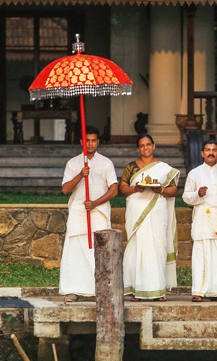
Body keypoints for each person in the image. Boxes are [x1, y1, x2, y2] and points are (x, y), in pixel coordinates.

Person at [59, 126, 118, 301]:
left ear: (98, 142)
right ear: (81, 142)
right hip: (79, 211)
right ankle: (73, 289)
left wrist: (95, 203)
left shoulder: (106, 163)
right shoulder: (73, 163)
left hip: (98, 211)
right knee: (76, 250)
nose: (90, 144)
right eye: (87, 140)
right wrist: (80, 174)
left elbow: (114, 189)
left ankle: (100, 289)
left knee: (100, 249)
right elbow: (65, 189)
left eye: (93, 140)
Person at [120, 134, 179, 301]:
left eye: (148, 144)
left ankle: (158, 290)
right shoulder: (131, 167)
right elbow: (122, 188)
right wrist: (135, 189)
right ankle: (136, 289)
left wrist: (160, 190)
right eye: (142, 146)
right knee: (137, 247)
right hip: (136, 207)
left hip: (157, 210)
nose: (145, 148)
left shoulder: (163, 168)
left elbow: (173, 190)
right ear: (138, 149)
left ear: (153, 146)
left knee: (157, 246)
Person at [182, 140, 217, 302]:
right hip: (202, 220)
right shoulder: (195, 173)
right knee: (200, 256)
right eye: (208, 150)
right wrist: (197, 194)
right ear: (202, 153)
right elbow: (186, 196)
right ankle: (198, 291)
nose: (211, 153)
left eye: (214, 150)